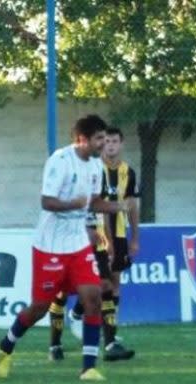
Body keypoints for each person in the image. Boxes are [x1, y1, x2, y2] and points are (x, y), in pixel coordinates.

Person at [0, 115, 127, 381]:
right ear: (82, 139)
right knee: (39, 308)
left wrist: (116, 206)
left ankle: (88, 367)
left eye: (104, 138)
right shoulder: (60, 161)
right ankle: (6, 345)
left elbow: (93, 202)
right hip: (49, 247)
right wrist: (73, 205)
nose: (103, 143)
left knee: (93, 298)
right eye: (98, 138)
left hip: (77, 245)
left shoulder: (95, 167)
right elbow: (47, 202)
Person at [51, 128, 138, 362]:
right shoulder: (67, 167)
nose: (104, 145)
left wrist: (110, 238)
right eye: (100, 140)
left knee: (107, 285)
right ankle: (55, 344)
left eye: (110, 141)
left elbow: (101, 209)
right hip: (70, 238)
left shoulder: (112, 172)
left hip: (99, 237)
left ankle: (110, 343)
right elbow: (54, 202)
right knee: (61, 292)